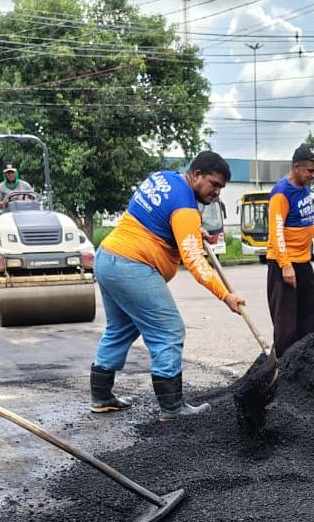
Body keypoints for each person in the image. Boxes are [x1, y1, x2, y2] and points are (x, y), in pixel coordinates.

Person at [89, 151, 246, 419]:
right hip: (131, 265)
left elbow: (158, 217)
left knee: (121, 328)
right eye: (214, 184)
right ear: (197, 175)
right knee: (169, 331)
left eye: (221, 187)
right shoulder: (185, 206)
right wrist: (226, 295)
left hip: (108, 258)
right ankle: (172, 408)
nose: (217, 192)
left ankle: (101, 397)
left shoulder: (164, 179)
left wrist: (191, 230)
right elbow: (194, 261)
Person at [266, 143, 314, 356]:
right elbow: (276, 231)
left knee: (309, 315)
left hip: (303, 262)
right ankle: (284, 365)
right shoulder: (281, 193)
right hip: (283, 265)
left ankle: (306, 363)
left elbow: (306, 220)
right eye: (310, 170)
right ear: (296, 167)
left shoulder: (305, 188)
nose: (313, 175)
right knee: (286, 325)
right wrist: (285, 265)